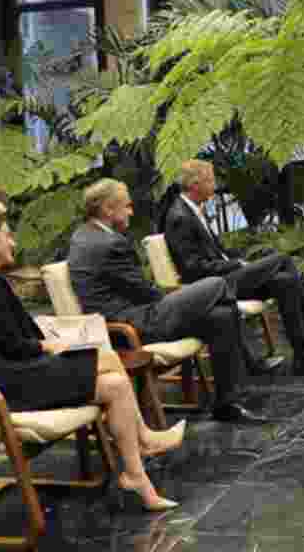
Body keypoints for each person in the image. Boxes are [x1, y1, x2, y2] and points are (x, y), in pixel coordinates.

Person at [0, 194, 183, 511]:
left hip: (16, 370)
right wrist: (52, 345)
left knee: (112, 372)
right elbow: (15, 346)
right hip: (5, 382)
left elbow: (13, 335)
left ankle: (137, 469)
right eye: (7, 235)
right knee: (108, 366)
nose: (12, 241)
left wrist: (50, 340)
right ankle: (141, 449)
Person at [68, 178, 269, 425]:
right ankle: (246, 367)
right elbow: (144, 293)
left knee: (221, 316)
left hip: (126, 318)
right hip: (131, 326)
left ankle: (227, 403)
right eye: (127, 206)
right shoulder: (109, 244)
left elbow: (135, 289)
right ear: (108, 209)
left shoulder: (83, 234)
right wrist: (178, 300)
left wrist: (182, 300)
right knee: (216, 285)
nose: (131, 211)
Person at [163, 159, 304, 377]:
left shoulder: (194, 210)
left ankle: (303, 357)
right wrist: (237, 264)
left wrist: (239, 259)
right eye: (210, 180)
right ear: (194, 184)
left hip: (227, 277)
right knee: (282, 259)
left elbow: (215, 253)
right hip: (213, 286)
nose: (215, 184)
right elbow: (193, 268)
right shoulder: (180, 217)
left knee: (286, 281)